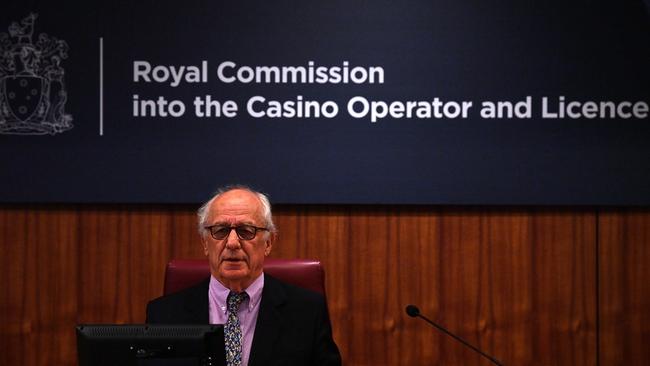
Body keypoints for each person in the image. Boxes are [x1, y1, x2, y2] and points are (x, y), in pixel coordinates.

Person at [146, 185, 342, 366]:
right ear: (205, 243)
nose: (232, 243)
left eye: (246, 231)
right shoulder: (164, 315)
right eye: (220, 230)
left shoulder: (307, 312)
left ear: (269, 243)